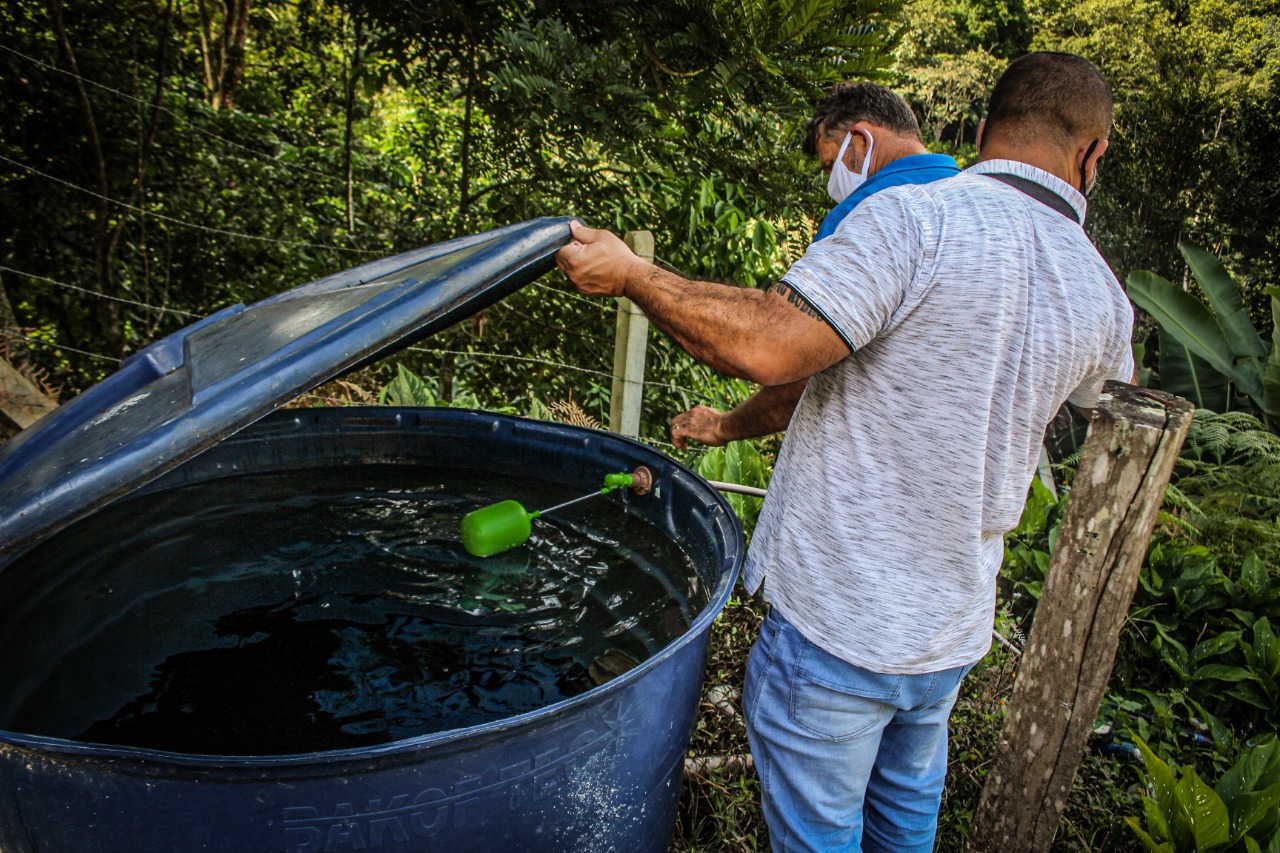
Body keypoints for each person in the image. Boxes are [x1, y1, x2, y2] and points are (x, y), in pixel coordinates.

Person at [557, 51, 1134, 853]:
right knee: (904, 828)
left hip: (840, 625)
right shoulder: (1104, 294)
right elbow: (1091, 409)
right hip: (947, 632)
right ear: (1092, 154)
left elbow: (768, 343)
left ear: (977, 132)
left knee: (820, 836)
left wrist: (633, 274)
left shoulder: (916, 219)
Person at [671, 82, 959, 451]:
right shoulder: (973, 203)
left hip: (859, 471)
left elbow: (798, 358)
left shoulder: (866, 210)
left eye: (830, 166)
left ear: (860, 141)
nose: (831, 183)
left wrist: (723, 427)